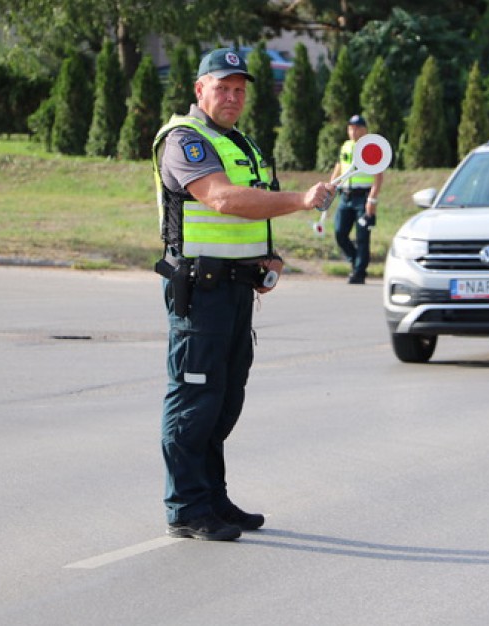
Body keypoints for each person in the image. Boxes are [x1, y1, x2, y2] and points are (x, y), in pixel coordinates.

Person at [151, 48, 335, 541]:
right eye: (223, 87)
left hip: (235, 290)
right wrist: (300, 199)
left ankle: (213, 497)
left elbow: (252, 212)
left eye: (239, 90)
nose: (232, 97)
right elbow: (222, 198)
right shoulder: (185, 140)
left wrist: (266, 257)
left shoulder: (241, 143)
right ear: (199, 90)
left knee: (224, 400)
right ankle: (186, 507)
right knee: (194, 401)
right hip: (200, 291)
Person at [330, 114, 384, 284]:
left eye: (357, 128)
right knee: (340, 232)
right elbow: (339, 166)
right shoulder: (346, 146)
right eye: (351, 128)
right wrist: (331, 185)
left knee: (362, 237)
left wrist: (372, 200)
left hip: (363, 197)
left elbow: (379, 175)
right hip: (345, 195)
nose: (353, 132)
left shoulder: (371, 147)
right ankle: (355, 260)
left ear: (365, 130)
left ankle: (359, 272)